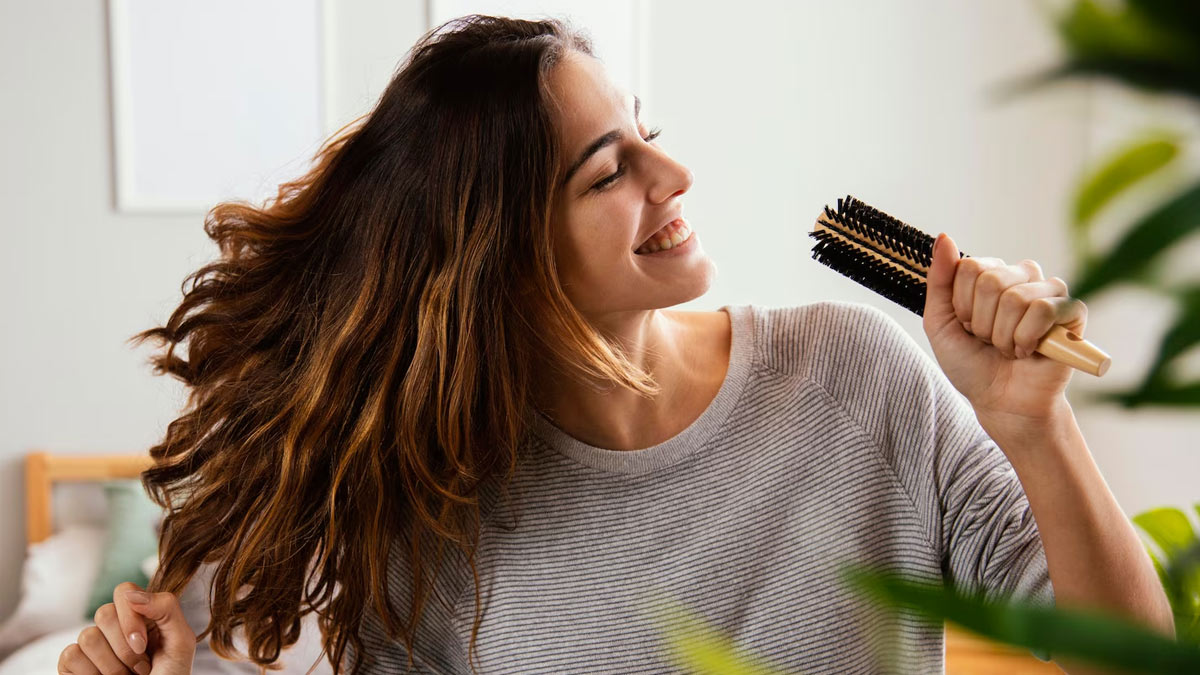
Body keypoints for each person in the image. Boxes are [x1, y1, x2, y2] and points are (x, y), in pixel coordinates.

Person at [58, 13, 1172, 675]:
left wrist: (1032, 423)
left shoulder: (860, 376)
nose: (673, 178)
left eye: (648, 133)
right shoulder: (429, 519)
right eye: (608, 172)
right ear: (496, 256)